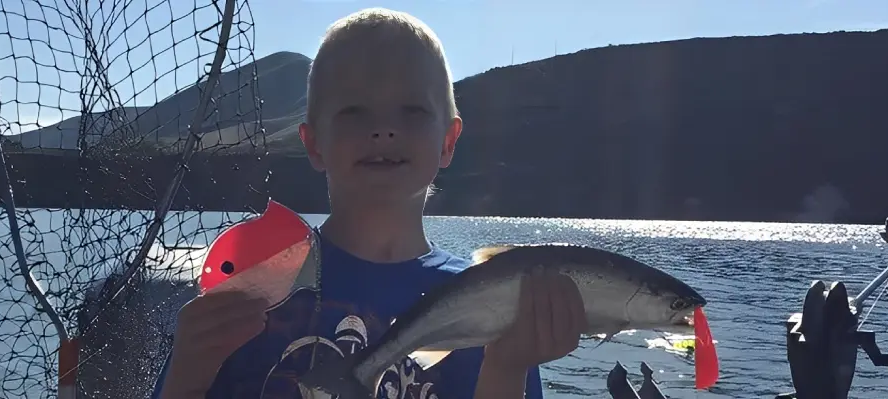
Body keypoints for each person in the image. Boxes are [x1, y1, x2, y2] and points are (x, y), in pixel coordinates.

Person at [153, 7, 587, 399]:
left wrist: (507, 367)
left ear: (448, 142)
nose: (382, 129)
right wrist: (187, 374)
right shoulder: (254, 288)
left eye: (412, 110)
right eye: (354, 111)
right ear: (314, 143)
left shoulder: (491, 301)